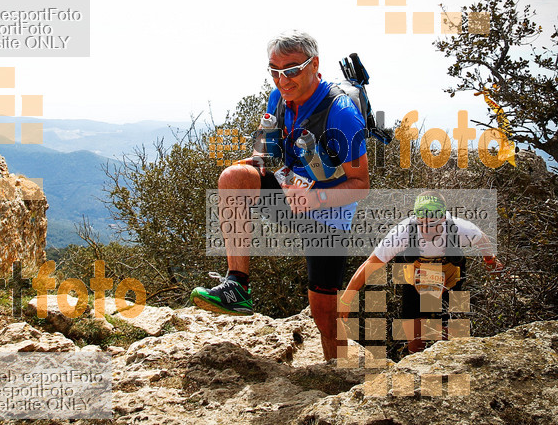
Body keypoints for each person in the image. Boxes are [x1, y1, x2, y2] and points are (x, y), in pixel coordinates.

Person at [190, 30, 370, 361]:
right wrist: (257, 160)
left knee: (323, 311)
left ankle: (338, 368)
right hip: (291, 193)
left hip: (328, 211)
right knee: (233, 178)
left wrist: (318, 200)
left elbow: (360, 183)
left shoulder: (342, 113)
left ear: (314, 65)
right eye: (274, 70)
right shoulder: (280, 97)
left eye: (291, 70)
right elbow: (267, 136)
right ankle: (237, 285)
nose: (282, 79)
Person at [338, 191, 503, 353]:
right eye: (421, 222)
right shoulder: (402, 233)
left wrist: (490, 261)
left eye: (432, 223)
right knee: (415, 341)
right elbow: (371, 264)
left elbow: (482, 239)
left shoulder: (460, 228)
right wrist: (346, 299)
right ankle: (416, 365)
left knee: (451, 341)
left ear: (443, 219)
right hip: (414, 278)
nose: (425, 229)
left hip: (450, 278)